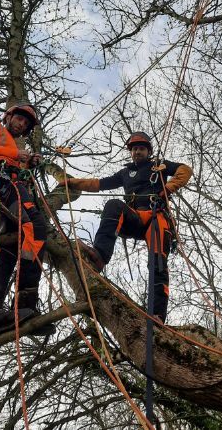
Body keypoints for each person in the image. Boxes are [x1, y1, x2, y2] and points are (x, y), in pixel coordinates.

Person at [61, 132, 192, 323]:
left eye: (141, 148)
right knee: (113, 205)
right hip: (135, 218)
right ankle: (100, 255)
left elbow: (185, 170)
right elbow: (100, 184)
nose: (138, 152)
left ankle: (157, 314)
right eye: (135, 149)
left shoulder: (158, 166)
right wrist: (72, 183)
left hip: (157, 218)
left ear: (148, 151)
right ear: (131, 152)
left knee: (158, 263)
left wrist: (168, 189)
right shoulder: (125, 173)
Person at [0, 103, 51, 338]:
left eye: (26, 123)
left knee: (10, 248)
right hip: (1, 183)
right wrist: (16, 155)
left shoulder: (13, 145)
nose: (21, 124)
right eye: (19, 119)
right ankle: (25, 301)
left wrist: (27, 163)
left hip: (10, 184)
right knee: (36, 228)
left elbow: (11, 161)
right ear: (9, 116)